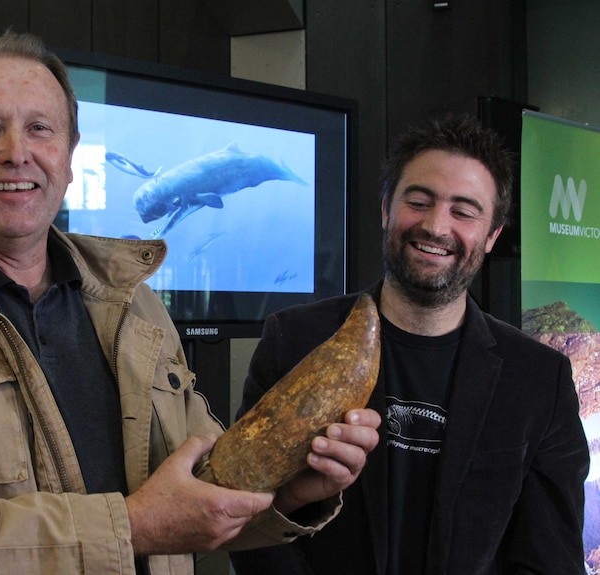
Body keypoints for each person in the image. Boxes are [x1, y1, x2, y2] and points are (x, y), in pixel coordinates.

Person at [0, 31, 380, 574]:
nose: (16, 152)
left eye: (40, 129)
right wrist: (131, 527)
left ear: (70, 152)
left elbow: (207, 490)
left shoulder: (138, 307)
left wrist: (294, 492)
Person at [229, 114, 589, 574]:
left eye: (464, 211)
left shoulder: (540, 378)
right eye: (418, 201)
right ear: (385, 209)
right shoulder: (294, 340)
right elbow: (250, 524)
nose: (436, 227)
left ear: (492, 235)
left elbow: (550, 558)